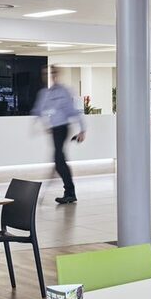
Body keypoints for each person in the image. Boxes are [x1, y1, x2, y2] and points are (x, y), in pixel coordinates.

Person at [31, 65, 86, 204]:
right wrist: (42, 124)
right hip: (54, 130)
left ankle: (70, 192)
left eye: (51, 73)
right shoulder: (44, 93)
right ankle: (69, 192)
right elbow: (39, 110)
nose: (48, 76)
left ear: (57, 74)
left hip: (62, 128)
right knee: (59, 160)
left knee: (59, 161)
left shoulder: (63, 91)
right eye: (46, 73)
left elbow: (73, 111)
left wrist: (82, 130)